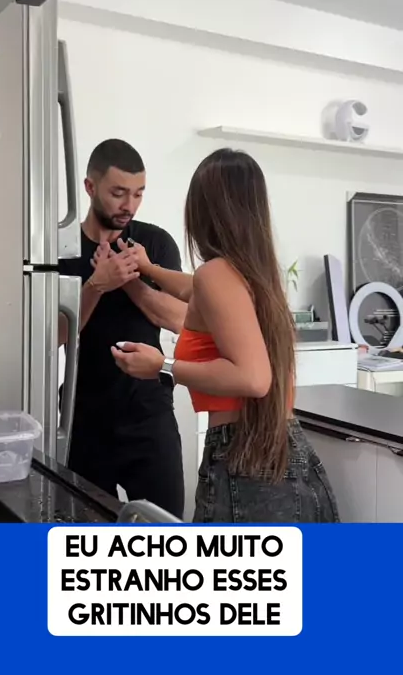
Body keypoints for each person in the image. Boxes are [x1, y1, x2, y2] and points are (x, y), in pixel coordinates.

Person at [112, 148, 340, 523]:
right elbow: (195, 291)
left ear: (202, 210)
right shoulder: (255, 274)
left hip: (244, 462)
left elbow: (253, 378)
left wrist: (163, 366)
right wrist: (149, 268)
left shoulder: (216, 274)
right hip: (283, 453)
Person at [58, 139, 187, 518]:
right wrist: (97, 284)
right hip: (83, 418)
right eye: (118, 193)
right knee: (85, 535)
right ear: (90, 187)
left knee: (163, 535)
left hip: (149, 415)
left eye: (138, 193)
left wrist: (130, 281)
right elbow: (54, 338)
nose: (129, 204)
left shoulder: (155, 244)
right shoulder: (62, 249)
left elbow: (180, 319)